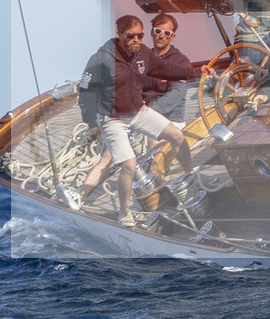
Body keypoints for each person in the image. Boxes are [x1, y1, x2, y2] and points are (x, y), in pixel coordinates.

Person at [74, 15, 202, 224]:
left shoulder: (142, 53)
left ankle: (191, 178)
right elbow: (86, 94)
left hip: (138, 113)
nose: (136, 40)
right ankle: (124, 211)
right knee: (129, 165)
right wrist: (92, 124)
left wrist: (196, 72)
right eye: (131, 36)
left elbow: (167, 69)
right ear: (120, 34)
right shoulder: (100, 59)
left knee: (177, 136)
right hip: (113, 119)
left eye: (140, 35)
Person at [140, 13, 193, 123]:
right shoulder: (141, 59)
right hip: (143, 116)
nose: (161, 36)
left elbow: (176, 94)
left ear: (172, 37)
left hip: (169, 121)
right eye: (158, 31)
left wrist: (148, 111)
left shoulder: (181, 62)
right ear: (152, 32)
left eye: (167, 33)